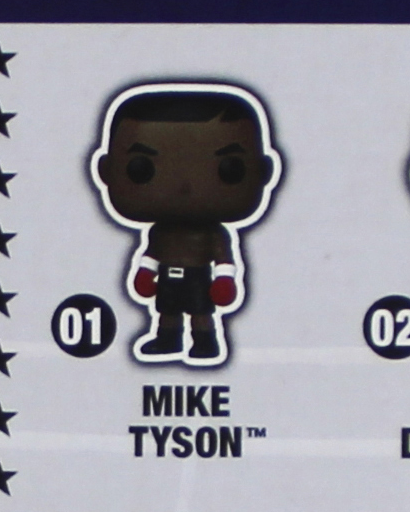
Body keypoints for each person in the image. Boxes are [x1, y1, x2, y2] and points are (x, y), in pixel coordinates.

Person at [91, 84, 279, 365]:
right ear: (106, 172)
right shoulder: (159, 232)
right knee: (167, 310)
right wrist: (145, 272)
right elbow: (151, 252)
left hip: (198, 277)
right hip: (168, 277)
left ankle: (205, 342)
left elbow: (223, 256)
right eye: (141, 169)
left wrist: (225, 279)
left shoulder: (213, 233)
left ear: (263, 172)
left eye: (229, 169)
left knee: (200, 311)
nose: (184, 186)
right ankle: (168, 340)